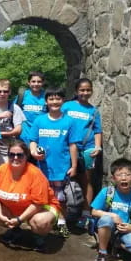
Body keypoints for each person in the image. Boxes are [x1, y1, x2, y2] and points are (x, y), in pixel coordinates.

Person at [0, 140, 60, 252]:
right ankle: (15, 230)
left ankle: (38, 237)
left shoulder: (35, 174)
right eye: (12, 154)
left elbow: (38, 204)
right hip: (16, 208)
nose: (15, 158)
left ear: (26, 156)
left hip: (42, 208)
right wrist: (0, 215)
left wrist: (20, 219)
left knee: (40, 221)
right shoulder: (0, 171)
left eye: (19, 155)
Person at [29, 87, 79, 238]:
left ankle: (62, 224)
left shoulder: (69, 121)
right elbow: (33, 141)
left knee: (60, 199)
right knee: (42, 197)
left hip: (61, 168)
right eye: (51, 99)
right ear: (46, 101)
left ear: (63, 101)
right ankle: (43, 223)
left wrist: (74, 165)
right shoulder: (40, 120)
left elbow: (73, 145)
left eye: (58, 98)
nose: (54, 102)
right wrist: (33, 152)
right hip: (42, 169)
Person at [90, 158, 131, 261]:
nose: (123, 178)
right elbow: (94, 211)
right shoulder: (107, 192)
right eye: (119, 175)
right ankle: (102, 254)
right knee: (106, 219)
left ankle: (114, 243)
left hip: (124, 231)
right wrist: (112, 215)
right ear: (113, 178)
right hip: (107, 226)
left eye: (127, 174)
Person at [62, 78, 102, 228]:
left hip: (87, 149)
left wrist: (97, 147)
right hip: (68, 147)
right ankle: (65, 212)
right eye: (82, 90)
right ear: (76, 91)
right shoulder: (67, 106)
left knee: (86, 181)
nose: (85, 93)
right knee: (65, 179)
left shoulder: (94, 111)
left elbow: (98, 131)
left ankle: (85, 213)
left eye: (88, 90)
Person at [0, 79, 25, 169]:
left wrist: (2, 134)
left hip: (8, 147)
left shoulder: (14, 108)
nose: (2, 94)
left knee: (7, 173)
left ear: (9, 92)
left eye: (5, 91)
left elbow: (18, 129)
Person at [16, 71, 47, 146]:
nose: (36, 84)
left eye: (39, 82)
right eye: (33, 81)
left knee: (39, 156)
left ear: (43, 83)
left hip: (41, 136)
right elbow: (14, 112)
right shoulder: (22, 95)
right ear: (28, 83)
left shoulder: (46, 96)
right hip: (23, 136)